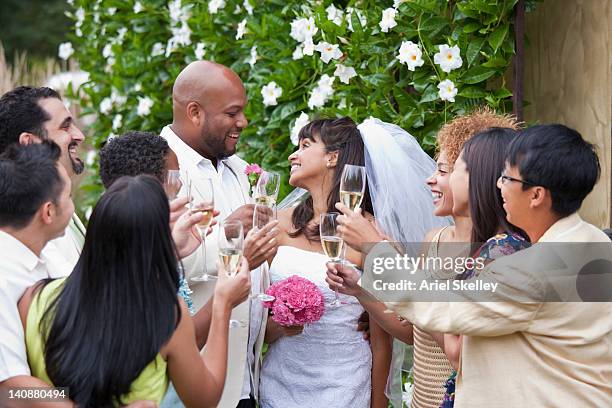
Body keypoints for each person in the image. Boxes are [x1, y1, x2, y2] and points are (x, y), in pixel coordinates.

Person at [368, 124, 612, 407]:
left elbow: (442, 306)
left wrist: (375, 251)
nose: (498, 185)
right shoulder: (594, 242)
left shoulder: (533, 270)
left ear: (536, 195)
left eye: (507, 178)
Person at [328, 109, 522, 408]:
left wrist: (381, 253)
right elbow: (410, 329)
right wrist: (361, 290)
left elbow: (457, 348)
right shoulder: (434, 241)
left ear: (479, 178)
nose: (430, 180)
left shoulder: (499, 254)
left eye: (444, 171)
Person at [17, 174, 252, 407]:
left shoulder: (35, 298)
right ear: (157, 241)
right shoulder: (165, 314)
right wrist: (223, 304)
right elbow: (204, 399)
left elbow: (15, 392)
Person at [161, 60, 278, 408]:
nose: (242, 122)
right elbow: (158, 259)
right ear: (195, 112)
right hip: (194, 379)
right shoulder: (160, 168)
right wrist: (234, 239)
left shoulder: (239, 169)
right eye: (232, 113)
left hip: (246, 377)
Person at [259, 117, 392, 408]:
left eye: (305, 145)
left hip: (344, 387)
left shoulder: (369, 234)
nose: (293, 155)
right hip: (280, 385)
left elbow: (384, 341)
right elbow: (259, 330)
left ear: (333, 157)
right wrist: (282, 325)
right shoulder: (280, 224)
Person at [0, 142, 75, 407]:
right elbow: (13, 388)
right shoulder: (3, 278)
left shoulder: (44, 251)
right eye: (68, 196)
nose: (72, 205)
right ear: (48, 212)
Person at [0, 86, 87, 277]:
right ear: (29, 143)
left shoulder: (59, 197)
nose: (80, 135)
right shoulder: (25, 220)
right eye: (65, 127)